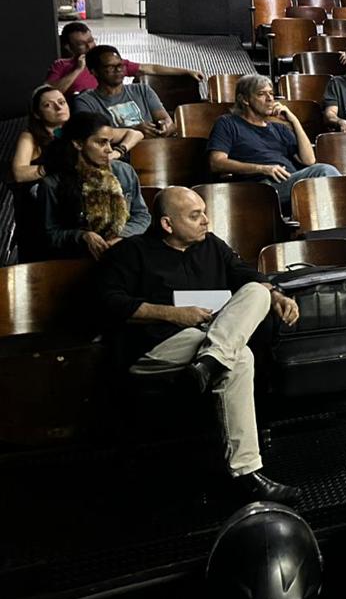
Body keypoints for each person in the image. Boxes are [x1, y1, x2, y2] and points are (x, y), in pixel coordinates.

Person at [98, 186, 301, 505]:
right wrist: (173, 314)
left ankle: (209, 366)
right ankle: (246, 474)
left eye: (204, 213)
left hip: (206, 340)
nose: (206, 220)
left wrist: (276, 295)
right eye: (195, 216)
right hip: (154, 348)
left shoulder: (212, 245)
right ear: (167, 224)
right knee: (239, 355)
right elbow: (109, 303)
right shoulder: (130, 252)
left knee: (258, 293)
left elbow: (246, 274)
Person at [207, 75, 340, 212]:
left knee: (329, 179)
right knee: (324, 171)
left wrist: (294, 121)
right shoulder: (228, 123)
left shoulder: (280, 128)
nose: (270, 98)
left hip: (289, 181)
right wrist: (263, 169)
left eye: (271, 93)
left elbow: (309, 160)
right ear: (244, 99)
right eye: (261, 94)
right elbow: (216, 163)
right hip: (260, 187)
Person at [38, 112, 151, 260]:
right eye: (101, 143)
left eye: (110, 142)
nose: (109, 149)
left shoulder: (124, 172)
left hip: (123, 251)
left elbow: (142, 216)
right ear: (78, 144)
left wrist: (121, 236)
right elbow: (50, 234)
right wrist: (82, 236)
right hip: (77, 259)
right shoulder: (52, 184)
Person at [11, 84, 141, 184]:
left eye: (62, 102)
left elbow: (135, 134)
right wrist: (55, 167)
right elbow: (18, 174)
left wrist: (117, 152)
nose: (58, 107)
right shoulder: (30, 136)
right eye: (48, 105)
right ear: (37, 114)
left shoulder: (80, 126)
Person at [45, 22, 202, 97]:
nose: (89, 46)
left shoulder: (109, 62)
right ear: (69, 47)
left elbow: (150, 68)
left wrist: (186, 71)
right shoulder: (61, 66)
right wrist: (77, 70)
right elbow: (48, 93)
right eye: (81, 44)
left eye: (91, 40)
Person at [71, 45, 175, 137]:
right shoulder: (85, 101)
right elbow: (92, 135)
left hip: (153, 146)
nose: (118, 70)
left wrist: (165, 126)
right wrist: (134, 130)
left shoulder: (142, 90)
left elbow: (165, 120)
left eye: (120, 65)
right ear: (94, 72)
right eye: (111, 67)